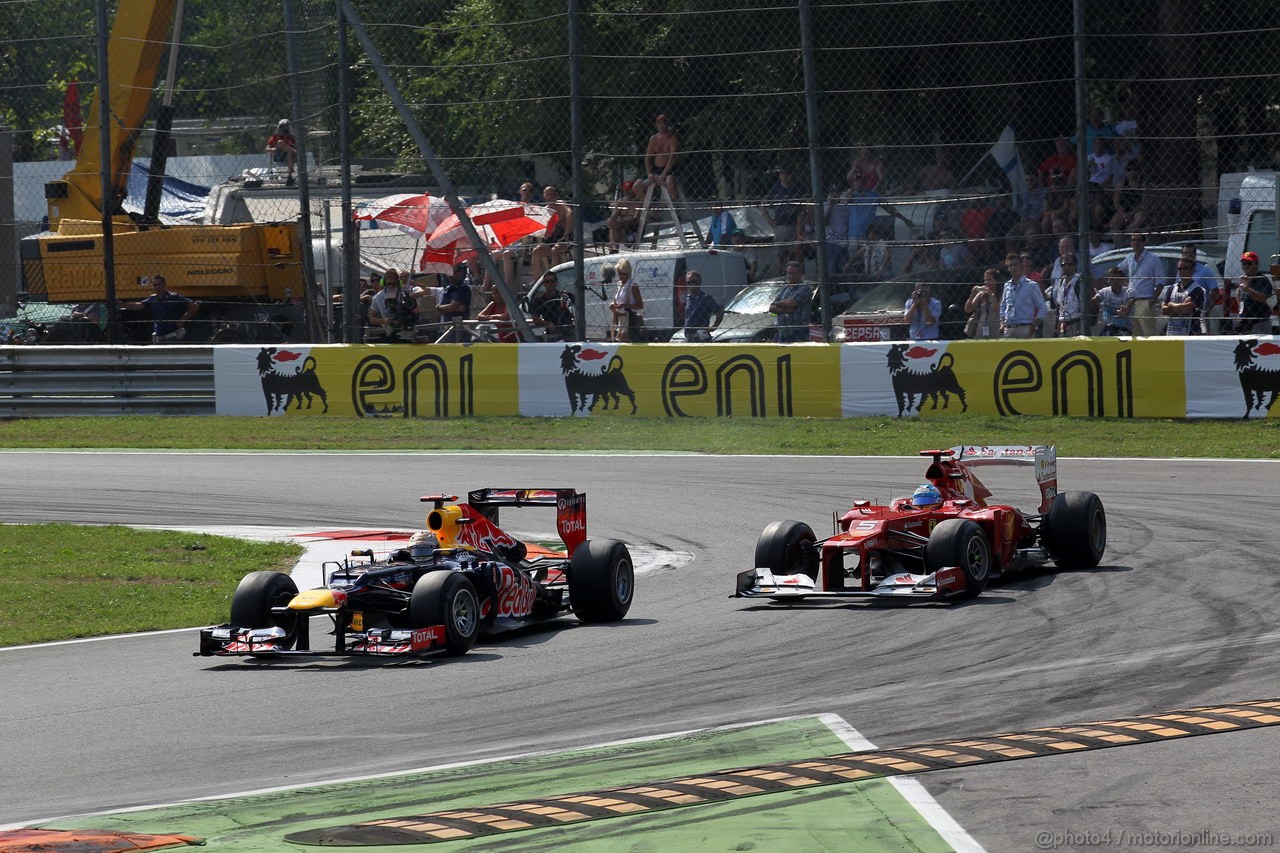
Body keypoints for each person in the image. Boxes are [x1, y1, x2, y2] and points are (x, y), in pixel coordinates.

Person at [122, 275, 198, 343]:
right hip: (159, 337)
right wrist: (121, 304)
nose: (157, 287)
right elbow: (139, 305)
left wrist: (182, 320)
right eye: (155, 285)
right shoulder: (152, 298)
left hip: (173, 336)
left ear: (165, 285)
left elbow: (194, 305)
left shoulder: (173, 297)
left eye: (159, 284)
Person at [1122, 231, 1164, 336]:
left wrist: (1152, 300)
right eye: (1133, 240)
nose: (1136, 243)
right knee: (1136, 335)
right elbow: (1118, 270)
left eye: (1139, 240)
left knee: (1149, 334)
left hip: (1145, 300)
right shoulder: (1129, 258)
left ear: (1144, 242)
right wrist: (1125, 283)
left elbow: (1161, 282)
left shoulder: (1153, 259)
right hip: (1131, 302)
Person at [764, 166, 804, 270]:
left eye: (787, 173)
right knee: (780, 255)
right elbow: (763, 205)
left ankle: (796, 273)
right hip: (780, 225)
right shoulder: (775, 189)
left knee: (794, 254)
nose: (785, 176)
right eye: (783, 174)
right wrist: (769, 221)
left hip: (795, 225)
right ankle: (781, 275)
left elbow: (805, 205)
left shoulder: (798, 187)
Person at [999, 253, 1047, 338]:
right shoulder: (1007, 285)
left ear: (1021, 265)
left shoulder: (1031, 285)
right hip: (1009, 327)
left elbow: (1043, 306)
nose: (1013, 268)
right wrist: (1002, 323)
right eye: (1010, 265)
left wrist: (1034, 325)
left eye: (1015, 264)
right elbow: (1003, 306)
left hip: (1025, 326)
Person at [367, 269, 419, 341]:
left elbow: (417, 309)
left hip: (408, 331)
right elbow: (372, 319)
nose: (391, 286)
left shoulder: (406, 293)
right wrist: (384, 321)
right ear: (384, 283)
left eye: (394, 284)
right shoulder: (377, 298)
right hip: (390, 332)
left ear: (398, 283)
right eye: (389, 284)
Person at [637, 114, 679, 202]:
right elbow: (648, 157)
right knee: (637, 186)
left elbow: (672, 157)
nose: (660, 125)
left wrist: (664, 173)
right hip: (655, 169)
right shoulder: (654, 139)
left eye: (663, 123)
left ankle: (675, 205)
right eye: (658, 123)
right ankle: (652, 209)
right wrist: (649, 173)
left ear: (667, 124)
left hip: (669, 169)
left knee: (669, 181)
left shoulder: (672, 139)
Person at [532, 185, 573, 277]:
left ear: (556, 195)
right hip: (550, 240)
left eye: (552, 194)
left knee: (555, 250)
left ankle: (553, 278)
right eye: (547, 194)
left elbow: (570, 214)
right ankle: (536, 281)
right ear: (544, 196)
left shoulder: (562, 206)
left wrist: (565, 235)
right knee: (536, 251)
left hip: (563, 239)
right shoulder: (545, 210)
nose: (550, 197)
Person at [1180, 243, 1221, 333]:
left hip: (1198, 313)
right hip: (1183, 312)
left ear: (1195, 255)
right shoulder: (1180, 270)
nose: (1188, 255)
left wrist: (1205, 308)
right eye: (1185, 253)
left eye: (1190, 253)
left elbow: (1215, 292)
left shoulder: (1205, 270)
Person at [768, 260, 812, 343]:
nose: (791, 276)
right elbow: (771, 307)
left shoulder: (804, 288)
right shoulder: (785, 290)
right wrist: (785, 308)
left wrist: (780, 305)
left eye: (793, 273)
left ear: (800, 274)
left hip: (799, 330)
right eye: (789, 273)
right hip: (783, 331)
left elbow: (791, 303)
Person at [1234, 251, 1275, 335]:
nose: (1246, 266)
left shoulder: (1262, 280)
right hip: (1245, 322)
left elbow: (1262, 299)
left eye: (1249, 263)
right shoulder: (1244, 279)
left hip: (1259, 322)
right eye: (1243, 264)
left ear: (1256, 264)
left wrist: (1247, 289)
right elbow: (1239, 296)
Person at [1161, 259, 1206, 336]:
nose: (1182, 271)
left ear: (1192, 270)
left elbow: (1186, 309)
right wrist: (1180, 307)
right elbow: (1164, 310)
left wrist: (1171, 305)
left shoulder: (1197, 289)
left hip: (1191, 333)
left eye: (1185, 268)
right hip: (1172, 331)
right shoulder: (1171, 288)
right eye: (1180, 269)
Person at [527, 272, 576, 341]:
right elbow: (535, 319)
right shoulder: (539, 300)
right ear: (544, 284)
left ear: (556, 283)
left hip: (568, 332)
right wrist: (548, 324)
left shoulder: (565, 296)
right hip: (552, 334)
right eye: (547, 282)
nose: (549, 284)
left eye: (552, 282)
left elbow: (579, 306)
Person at [681, 271, 723, 342]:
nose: (691, 284)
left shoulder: (705, 298)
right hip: (689, 337)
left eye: (694, 282)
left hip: (701, 338)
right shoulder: (688, 299)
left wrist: (714, 327)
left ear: (699, 283)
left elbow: (720, 311)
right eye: (688, 283)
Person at [608, 258, 644, 342]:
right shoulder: (619, 285)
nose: (621, 276)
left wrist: (626, 305)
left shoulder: (633, 285)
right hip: (620, 318)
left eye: (623, 274)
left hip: (630, 319)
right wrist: (612, 305)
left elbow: (640, 305)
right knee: (618, 340)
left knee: (624, 341)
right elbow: (616, 300)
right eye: (619, 273)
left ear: (628, 273)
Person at [436, 263, 473, 343]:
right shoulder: (448, 289)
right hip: (447, 327)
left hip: (461, 328)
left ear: (460, 272)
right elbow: (444, 308)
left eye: (453, 272)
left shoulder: (464, 288)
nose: (450, 275)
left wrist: (443, 307)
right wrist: (442, 308)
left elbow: (451, 307)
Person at [1048, 254, 1084, 337]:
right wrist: (1056, 327)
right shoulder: (1061, 282)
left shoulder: (1079, 281)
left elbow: (1083, 306)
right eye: (1063, 265)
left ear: (1075, 266)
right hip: (1062, 324)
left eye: (1069, 264)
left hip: (1075, 322)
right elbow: (1059, 306)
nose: (1066, 267)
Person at [1092, 267, 1132, 336]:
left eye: (1117, 279)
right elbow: (1095, 301)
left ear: (1122, 280)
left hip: (1124, 328)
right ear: (1108, 280)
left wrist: (1125, 309)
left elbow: (1130, 301)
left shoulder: (1128, 292)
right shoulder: (1105, 291)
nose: (1115, 282)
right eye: (1112, 279)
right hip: (1108, 327)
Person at [606, 180, 642, 251]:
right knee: (612, 227)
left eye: (630, 190)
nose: (628, 192)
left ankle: (614, 248)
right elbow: (613, 216)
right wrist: (613, 221)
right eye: (626, 190)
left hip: (633, 229)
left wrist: (621, 224)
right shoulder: (621, 202)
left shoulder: (639, 202)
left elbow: (635, 220)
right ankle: (614, 249)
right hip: (621, 227)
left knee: (615, 229)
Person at [964, 269, 1001, 339]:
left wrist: (991, 295)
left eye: (990, 280)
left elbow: (999, 309)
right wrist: (973, 294)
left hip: (995, 329)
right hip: (981, 329)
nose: (987, 282)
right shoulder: (982, 294)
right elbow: (968, 309)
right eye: (985, 280)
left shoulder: (1001, 294)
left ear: (996, 281)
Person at [265, 119, 297, 186]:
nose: (283, 129)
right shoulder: (275, 136)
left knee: (290, 153)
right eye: (282, 127)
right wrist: (274, 149)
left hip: (291, 156)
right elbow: (267, 149)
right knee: (280, 142)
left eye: (285, 127)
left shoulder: (292, 137)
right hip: (279, 155)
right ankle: (293, 151)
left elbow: (296, 145)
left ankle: (289, 177)